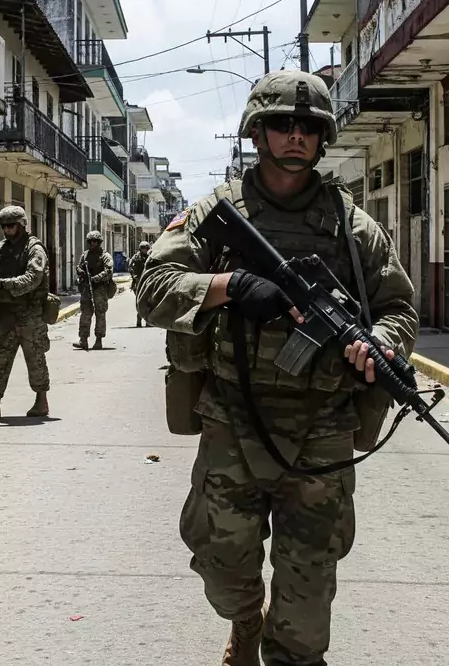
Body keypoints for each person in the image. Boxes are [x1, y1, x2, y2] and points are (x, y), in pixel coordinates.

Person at [135, 71, 419, 665]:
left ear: (322, 138)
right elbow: (153, 288)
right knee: (222, 560)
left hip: (322, 426)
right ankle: (244, 620)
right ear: (257, 133)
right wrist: (229, 285)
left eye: (309, 127)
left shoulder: (352, 224)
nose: (296, 136)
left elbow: (397, 305)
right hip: (232, 417)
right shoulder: (216, 213)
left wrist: (381, 344)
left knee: (310, 585)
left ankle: (289, 648)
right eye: (282, 125)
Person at [0, 205, 52, 421]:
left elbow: (32, 279)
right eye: (4, 226)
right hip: (6, 313)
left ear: (22, 225)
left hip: (29, 314)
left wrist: (5, 284)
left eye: (11, 226)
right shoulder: (1, 248)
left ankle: (41, 402)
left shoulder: (34, 249)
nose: (7, 230)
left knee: (34, 358)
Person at [75, 230, 115, 349]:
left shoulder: (105, 256)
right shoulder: (85, 255)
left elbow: (108, 271)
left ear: (99, 242)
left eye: (95, 241)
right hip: (87, 289)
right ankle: (83, 340)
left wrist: (95, 278)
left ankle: (99, 340)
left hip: (100, 289)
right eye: (91, 241)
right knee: (85, 314)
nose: (93, 243)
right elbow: (79, 266)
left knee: (100, 314)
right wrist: (80, 272)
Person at [127, 240, 151, 327]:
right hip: (138, 282)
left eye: (145, 248)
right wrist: (134, 276)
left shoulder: (150, 256)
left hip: (148, 281)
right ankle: (139, 320)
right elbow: (130, 266)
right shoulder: (136, 257)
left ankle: (148, 321)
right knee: (140, 301)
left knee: (149, 301)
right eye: (142, 248)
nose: (144, 250)